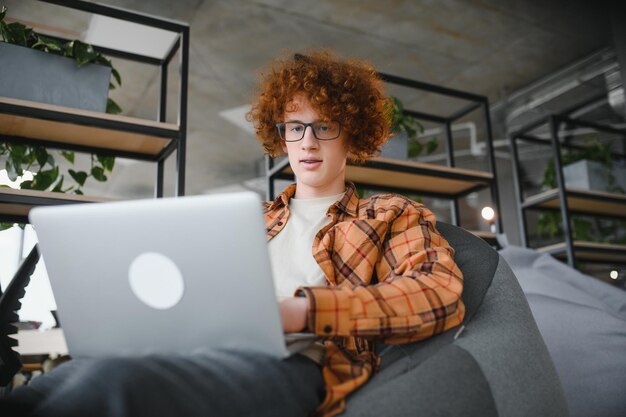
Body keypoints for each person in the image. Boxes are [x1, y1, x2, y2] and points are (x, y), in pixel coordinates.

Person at [1, 50, 464, 417]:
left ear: (352, 133)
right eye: (295, 126)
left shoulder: (389, 213)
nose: (306, 141)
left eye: (324, 125)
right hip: (196, 350)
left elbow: (439, 292)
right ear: (280, 134)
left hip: (292, 364)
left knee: (111, 385)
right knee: (44, 390)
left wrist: (301, 311)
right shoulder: (247, 217)